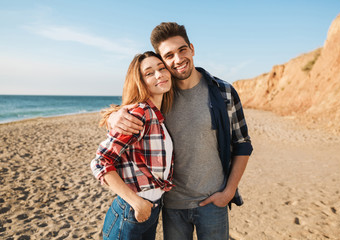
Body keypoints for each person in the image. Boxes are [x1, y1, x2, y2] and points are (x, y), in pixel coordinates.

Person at [106, 22, 253, 240]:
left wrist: (229, 192)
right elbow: (132, 108)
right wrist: (113, 117)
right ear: (162, 61)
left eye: (182, 50)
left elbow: (242, 143)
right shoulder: (161, 94)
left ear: (192, 49)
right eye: (169, 55)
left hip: (214, 202)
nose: (178, 59)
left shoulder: (223, 92)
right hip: (172, 206)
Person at [90, 51, 175, 240]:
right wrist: (137, 203)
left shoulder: (158, 116)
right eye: (149, 73)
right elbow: (100, 161)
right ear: (140, 81)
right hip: (131, 211)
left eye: (162, 68)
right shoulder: (140, 113)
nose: (159, 74)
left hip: (151, 209)